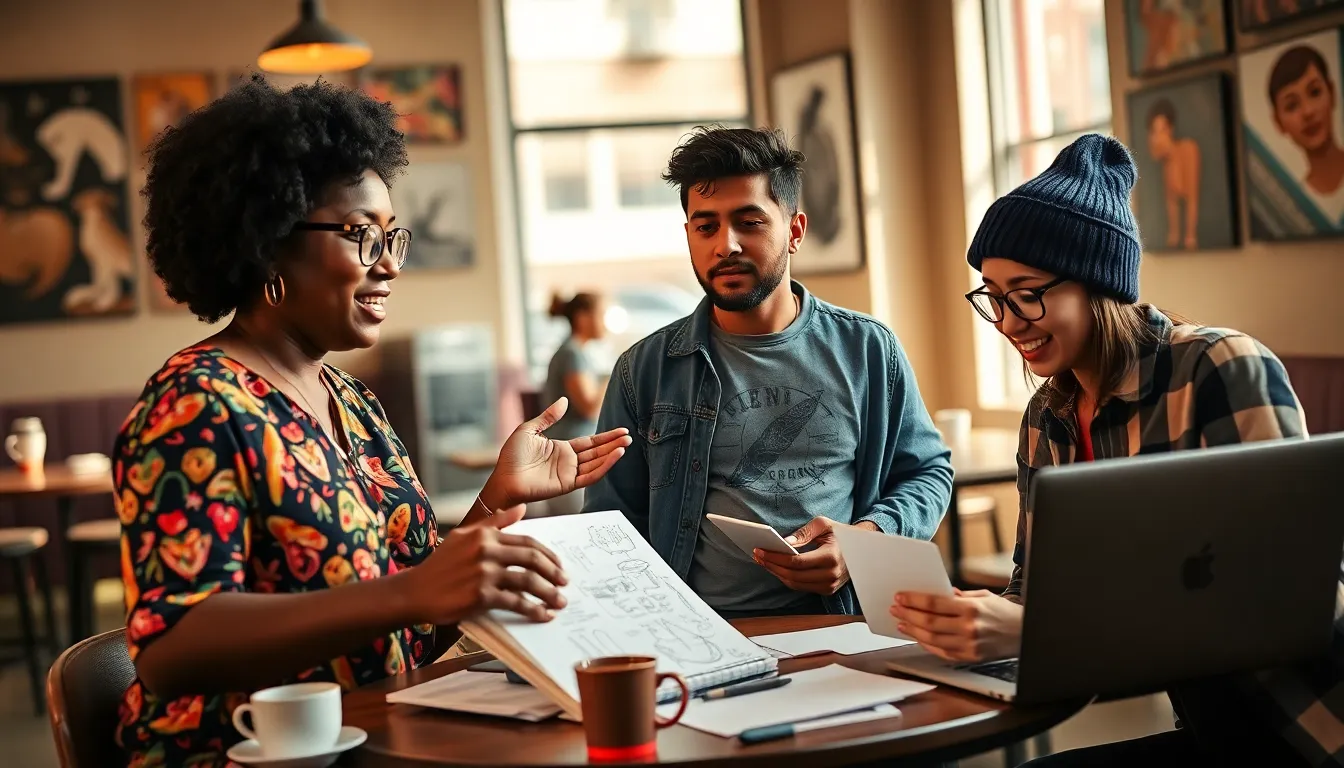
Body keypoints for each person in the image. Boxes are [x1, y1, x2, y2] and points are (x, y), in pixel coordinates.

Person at [114, 75, 631, 768]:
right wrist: (409, 592)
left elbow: (412, 616)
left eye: (393, 237)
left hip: (377, 741)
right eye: (360, 235)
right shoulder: (194, 407)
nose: (388, 265)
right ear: (268, 243)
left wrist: (495, 504)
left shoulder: (351, 402)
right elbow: (172, 649)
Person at [889, 133, 1336, 765]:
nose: (1009, 320)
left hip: (1308, 730)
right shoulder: (1048, 417)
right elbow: (1036, 595)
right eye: (992, 295)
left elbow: (1287, 600)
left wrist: (1039, 629)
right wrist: (969, 621)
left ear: (1096, 284)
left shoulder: (1218, 368)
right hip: (1213, 728)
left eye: (1028, 292)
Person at [582, 125, 953, 620]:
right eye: (705, 226)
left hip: (847, 626)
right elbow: (609, 526)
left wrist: (864, 543)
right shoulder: (644, 370)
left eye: (749, 222)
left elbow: (928, 472)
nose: (725, 246)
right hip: (703, 636)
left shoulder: (867, 349)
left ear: (795, 231)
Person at [540, 291, 610, 515]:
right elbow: (589, 407)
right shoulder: (571, 354)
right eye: (601, 315)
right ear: (582, 318)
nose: (605, 323)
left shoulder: (578, 353)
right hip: (567, 454)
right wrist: (614, 374)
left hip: (572, 454)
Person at [1267, 44, 1344, 218]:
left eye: (1315, 92)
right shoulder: (1294, 209)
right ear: (1278, 123)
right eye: (1292, 105)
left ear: (1332, 93)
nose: (1308, 112)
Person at [1144, 98, 1201, 249]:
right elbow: (1172, 203)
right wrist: (1173, 239)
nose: (1157, 138)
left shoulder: (1188, 150)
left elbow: (1192, 198)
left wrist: (1190, 237)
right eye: (1153, 132)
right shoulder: (1165, 164)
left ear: (1170, 130)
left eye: (1162, 130)